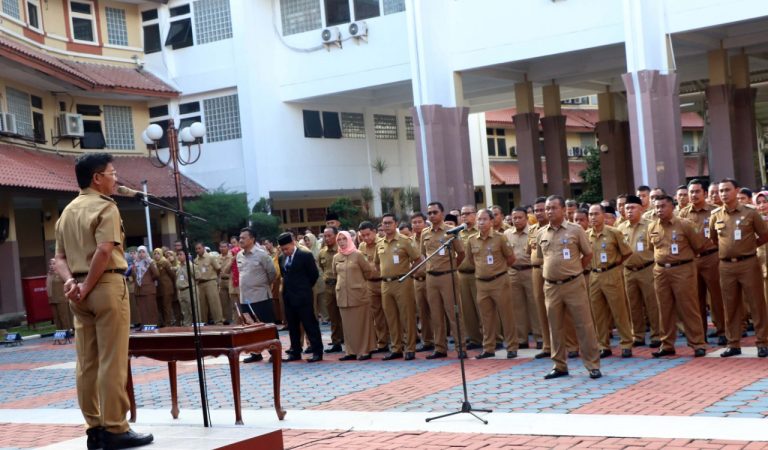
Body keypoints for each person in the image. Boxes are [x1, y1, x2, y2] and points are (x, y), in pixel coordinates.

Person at [54, 152, 152, 448]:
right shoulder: (105, 206)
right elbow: (105, 249)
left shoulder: (67, 211)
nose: (116, 178)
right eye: (112, 173)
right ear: (97, 178)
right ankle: (115, 428)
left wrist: (72, 282)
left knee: (87, 362)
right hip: (105, 285)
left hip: (78, 291)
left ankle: (94, 428)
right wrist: (87, 285)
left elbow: (59, 259)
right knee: (112, 359)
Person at [537, 195, 602, 379]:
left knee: (584, 325)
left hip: (573, 283)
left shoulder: (576, 230)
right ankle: (559, 365)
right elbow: (542, 258)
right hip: (551, 286)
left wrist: (575, 270)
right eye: (547, 208)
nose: (549, 211)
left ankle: (592, 364)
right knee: (555, 326)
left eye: (553, 208)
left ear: (563, 210)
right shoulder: (541, 233)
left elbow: (588, 254)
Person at [711, 178, 768, 357]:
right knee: (730, 305)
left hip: (748, 263)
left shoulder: (750, 213)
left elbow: (764, 235)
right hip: (726, 266)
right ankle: (733, 343)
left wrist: (748, 247)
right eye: (721, 191)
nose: (723, 194)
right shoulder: (716, 215)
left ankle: (763, 342)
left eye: (727, 190)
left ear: (736, 191)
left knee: (756, 303)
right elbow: (714, 239)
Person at [647, 195, 707, 358]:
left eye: (663, 206)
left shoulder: (685, 224)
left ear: (672, 207)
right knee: (664, 308)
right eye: (656, 207)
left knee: (688, 307)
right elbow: (651, 248)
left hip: (682, 269)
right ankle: (667, 344)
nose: (659, 210)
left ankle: (698, 343)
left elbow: (698, 246)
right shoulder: (652, 226)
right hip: (661, 271)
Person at [465, 208, 519, 359]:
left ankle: (512, 346)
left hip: (499, 281)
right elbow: (471, 260)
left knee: (506, 315)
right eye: (479, 219)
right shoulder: (471, 239)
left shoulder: (500, 238)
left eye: (484, 219)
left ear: (491, 221)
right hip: (481, 283)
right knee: (486, 317)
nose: (481, 222)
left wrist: (498, 269)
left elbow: (511, 258)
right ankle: (488, 347)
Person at [679, 179, 726, 345]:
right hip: (692, 260)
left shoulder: (715, 211)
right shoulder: (683, 214)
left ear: (705, 193)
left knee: (717, 296)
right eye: (691, 192)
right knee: (695, 299)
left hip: (712, 257)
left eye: (697, 191)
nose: (693, 195)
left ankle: (722, 331)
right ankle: (700, 334)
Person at [587, 204, 634, 358]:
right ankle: (603, 345)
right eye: (590, 214)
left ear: (603, 215)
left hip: (611, 273)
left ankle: (626, 343)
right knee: (598, 313)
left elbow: (627, 252)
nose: (593, 217)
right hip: (594, 275)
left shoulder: (614, 233)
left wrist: (616, 264)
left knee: (619, 311)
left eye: (596, 214)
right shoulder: (586, 235)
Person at [374, 213, 423, 361]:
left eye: (389, 223)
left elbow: (418, 259)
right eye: (384, 223)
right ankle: (396, 348)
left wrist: (409, 273)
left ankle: (410, 348)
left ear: (395, 224)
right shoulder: (380, 243)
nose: (386, 225)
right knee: (391, 317)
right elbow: (377, 263)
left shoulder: (404, 241)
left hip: (402, 282)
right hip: (385, 283)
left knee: (407, 316)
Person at [421, 202, 466, 359]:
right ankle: (440, 347)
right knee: (436, 313)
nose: (432, 215)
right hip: (431, 277)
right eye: (429, 213)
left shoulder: (450, 231)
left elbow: (461, 253)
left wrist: (452, 267)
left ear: (442, 213)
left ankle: (461, 347)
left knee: (453, 313)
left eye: (435, 212)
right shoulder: (425, 233)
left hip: (448, 275)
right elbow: (423, 254)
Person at [618, 195, 661, 348]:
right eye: (627, 208)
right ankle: (638, 335)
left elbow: (656, 247)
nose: (629, 211)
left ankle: (657, 335)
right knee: (633, 305)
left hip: (647, 268)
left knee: (652, 304)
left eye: (633, 208)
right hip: (629, 270)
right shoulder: (620, 228)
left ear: (641, 209)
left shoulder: (650, 225)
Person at [278, 232, 324, 363]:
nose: (285, 251)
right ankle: (295, 351)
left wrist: (304, 287)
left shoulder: (305, 255)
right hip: (289, 297)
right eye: (283, 249)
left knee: (310, 325)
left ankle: (317, 351)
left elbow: (314, 275)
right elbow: (284, 275)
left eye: (287, 248)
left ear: (293, 243)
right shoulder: (281, 258)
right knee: (292, 326)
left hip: (303, 297)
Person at [333, 230, 376, 361]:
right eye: (339, 240)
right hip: (343, 296)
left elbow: (368, 272)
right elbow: (335, 274)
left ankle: (365, 350)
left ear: (349, 239)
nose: (341, 242)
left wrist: (358, 283)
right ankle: (350, 351)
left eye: (344, 239)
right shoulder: (336, 257)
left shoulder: (358, 255)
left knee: (362, 324)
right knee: (347, 326)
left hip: (358, 295)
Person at [237, 227, 277, 363]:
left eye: (243, 238)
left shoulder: (262, 254)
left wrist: (261, 285)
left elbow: (272, 273)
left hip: (261, 297)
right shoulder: (239, 255)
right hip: (245, 298)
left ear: (252, 239)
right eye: (240, 237)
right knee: (249, 327)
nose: (240, 240)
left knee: (267, 326)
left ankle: (274, 352)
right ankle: (255, 353)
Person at [504, 207, 542, 350]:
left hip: (530, 271)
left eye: (520, 217)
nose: (517, 220)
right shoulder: (507, 234)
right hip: (513, 272)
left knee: (535, 305)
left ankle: (540, 337)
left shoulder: (534, 232)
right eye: (514, 218)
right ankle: (521, 339)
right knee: (517, 307)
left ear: (526, 218)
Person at [358, 221, 390, 353]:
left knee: (391, 313)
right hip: (370, 284)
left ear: (374, 232)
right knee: (377, 315)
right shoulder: (361, 246)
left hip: (384, 282)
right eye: (363, 236)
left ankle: (400, 341)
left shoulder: (383, 243)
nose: (366, 238)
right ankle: (382, 343)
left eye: (368, 234)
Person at [458, 205, 484, 350]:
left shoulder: (480, 230)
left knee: (482, 308)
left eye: (468, 213)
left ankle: (493, 337)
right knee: (467, 310)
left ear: (475, 215)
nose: (464, 216)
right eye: (462, 214)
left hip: (477, 274)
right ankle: (474, 339)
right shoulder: (458, 232)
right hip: (462, 274)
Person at [318, 227, 344, 353]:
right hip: (328, 287)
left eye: (329, 236)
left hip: (341, 285)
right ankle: (336, 342)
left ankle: (348, 340)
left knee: (344, 315)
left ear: (336, 236)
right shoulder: (322, 252)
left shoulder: (342, 250)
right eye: (325, 236)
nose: (327, 238)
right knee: (333, 316)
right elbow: (322, 268)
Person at [410, 212, 433, 352]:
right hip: (417, 281)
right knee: (422, 312)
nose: (417, 225)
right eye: (414, 222)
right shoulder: (409, 241)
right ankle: (428, 341)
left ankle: (440, 340)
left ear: (425, 223)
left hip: (430, 278)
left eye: (419, 222)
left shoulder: (430, 237)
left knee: (435, 311)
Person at [193, 242, 224, 325]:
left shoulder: (211, 257)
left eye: (199, 248)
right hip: (200, 283)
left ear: (203, 248)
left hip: (210, 282)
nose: (197, 250)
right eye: (196, 249)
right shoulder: (196, 260)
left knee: (214, 303)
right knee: (202, 305)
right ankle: (204, 323)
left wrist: (214, 277)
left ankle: (218, 322)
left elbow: (218, 268)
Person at [133, 246, 159, 325]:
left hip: (148, 289)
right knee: (142, 309)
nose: (141, 254)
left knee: (150, 308)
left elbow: (156, 274)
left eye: (143, 252)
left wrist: (149, 281)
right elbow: (133, 276)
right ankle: (144, 325)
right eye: (139, 252)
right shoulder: (136, 263)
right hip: (139, 290)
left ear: (146, 253)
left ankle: (153, 324)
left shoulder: (150, 262)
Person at [46, 258, 73, 331]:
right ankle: (59, 331)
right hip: (52, 299)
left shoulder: (62, 274)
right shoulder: (49, 275)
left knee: (63, 316)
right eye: (50, 264)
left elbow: (69, 283)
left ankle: (67, 330)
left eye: (54, 264)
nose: (51, 265)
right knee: (56, 317)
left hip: (62, 299)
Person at [153, 248, 175, 327]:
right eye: (155, 254)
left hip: (166, 287)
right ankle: (162, 322)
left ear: (161, 254)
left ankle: (168, 323)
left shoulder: (165, 262)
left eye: (158, 253)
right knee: (160, 306)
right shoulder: (153, 264)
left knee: (166, 306)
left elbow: (172, 274)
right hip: (158, 288)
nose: (156, 255)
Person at [175, 250, 194, 326]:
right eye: (178, 255)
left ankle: (195, 324)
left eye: (181, 254)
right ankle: (187, 325)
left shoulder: (190, 265)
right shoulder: (179, 267)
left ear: (186, 255)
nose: (179, 256)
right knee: (185, 311)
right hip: (181, 291)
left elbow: (197, 276)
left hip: (188, 289)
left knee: (192, 309)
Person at [218, 242, 235, 324]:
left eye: (224, 247)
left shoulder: (231, 256)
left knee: (232, 301)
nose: (222, 248)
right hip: (221, 281)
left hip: (230, 280)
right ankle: (226, 320)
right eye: (221, 247)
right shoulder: (218, 257)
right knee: (223, 302)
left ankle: (234, 319)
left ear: (228, 247)